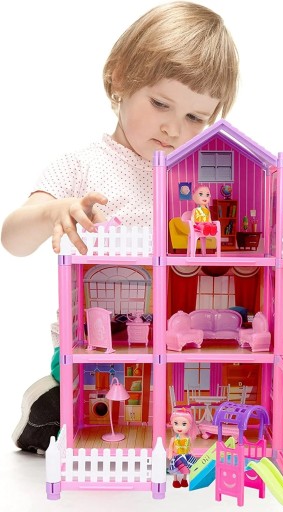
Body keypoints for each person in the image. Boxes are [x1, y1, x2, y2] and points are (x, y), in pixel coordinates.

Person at [1, 1, 238, 454]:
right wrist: (53, 211)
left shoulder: (192, 180)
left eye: (195, 117)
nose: (174, 128)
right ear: (119, 79)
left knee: (168, 395)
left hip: (166, 333)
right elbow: (12, 237)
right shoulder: (82, 166)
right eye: (160, 103)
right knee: (90, 393)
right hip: (95, 338)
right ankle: (49, 398)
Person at [167, 408, 199, 488]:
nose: (179, 427)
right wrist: (170, 454)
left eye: (184, 424)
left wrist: (192, 452)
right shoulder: (174, 439)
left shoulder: (188, 438)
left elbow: (190, 446)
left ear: (189, 425)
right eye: (176, 423)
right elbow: (170, 447)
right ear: (172, 424)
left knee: (186, 467)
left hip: (186, 455)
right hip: (177, 455)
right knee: (176, 468)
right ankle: (175, 480)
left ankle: (184, 479)